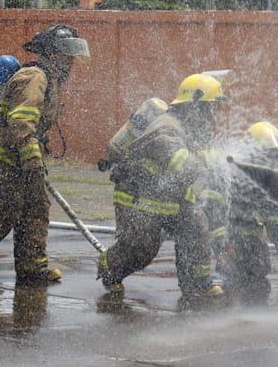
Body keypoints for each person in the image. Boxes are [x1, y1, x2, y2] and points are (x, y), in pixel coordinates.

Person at [0, 24, 90, 285]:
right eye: (66, 56)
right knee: (6, 205)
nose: (71, 62)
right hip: (4, 152)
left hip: (20, 151)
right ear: (51, 54)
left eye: (72, 57)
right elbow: (21, 120)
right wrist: (32, 159)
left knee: (35, 208)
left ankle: (32, 267)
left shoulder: (50, 79)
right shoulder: (35, 77)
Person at [96, 74, 229, 302]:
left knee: (196, 228)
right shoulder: (165, 128)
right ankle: (109, 267)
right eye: (210, 107)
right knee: (143, 249)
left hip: (171, 197)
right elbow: (182, 166)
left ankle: (197, 283)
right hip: (139, 197)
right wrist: (211, 158)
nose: (214, 114)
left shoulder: (193, 128)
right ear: (195, 105)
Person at [227, 122, 278, 305]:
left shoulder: (271, 183)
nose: (270, 160)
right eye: (266, 155)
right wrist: (223, 246)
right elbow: (215, 213)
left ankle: (249, 311)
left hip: (250, 242)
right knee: (233, 274)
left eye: (273, 155)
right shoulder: (231, 176)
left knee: (259, 266)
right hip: (229, 242)